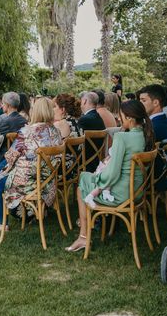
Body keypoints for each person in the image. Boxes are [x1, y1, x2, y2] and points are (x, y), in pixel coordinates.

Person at [66, 99, 155, 252]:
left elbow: (113, 173)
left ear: (130, 118)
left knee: (83, 180)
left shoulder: (122, 137)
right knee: (87, 178)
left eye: (121, 116)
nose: (119, 119)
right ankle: (86, 233)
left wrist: (97, 181)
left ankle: (83, 237)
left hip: (122, 195)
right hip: (137, 192)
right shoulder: (144, 135)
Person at [0, 97, 63, 232]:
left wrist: (12, 166)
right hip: (48, 182)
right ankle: (35, 212)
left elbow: (11, 156)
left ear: (35, 111)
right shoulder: (56, 132)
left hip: (28, 182)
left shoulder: (26, 131)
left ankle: (2, 224)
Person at [138, 85, 167, 190]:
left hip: (150, 177)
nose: (140, 104)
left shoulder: (153, 127)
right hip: (163, 175)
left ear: (156, 103)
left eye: (143, 100)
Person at [77, 91, 106, 172]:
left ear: (84, 101)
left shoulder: (84, 120)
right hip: (95, 160)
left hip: (84, 162)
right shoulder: (98, 117)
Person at [0, 91, 28, 157]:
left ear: (8, 105)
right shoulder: (24, 120)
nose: (2, 106)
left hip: (6, 157)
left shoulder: (5, 121)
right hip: (21, 155)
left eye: (3, 103)